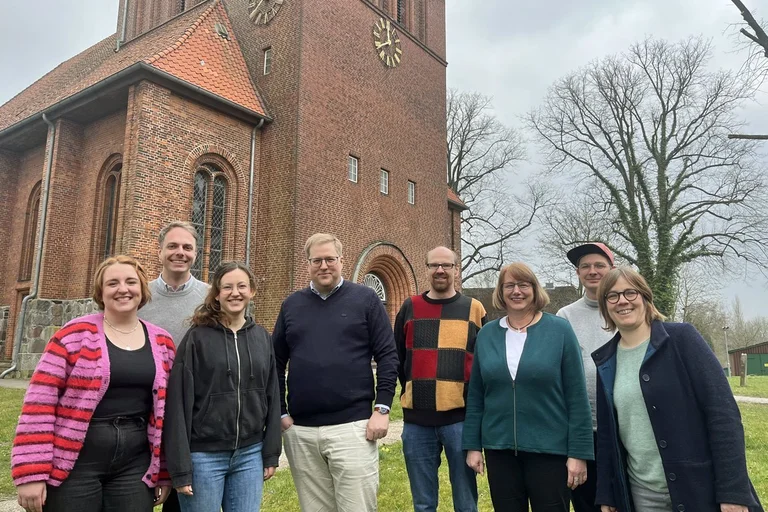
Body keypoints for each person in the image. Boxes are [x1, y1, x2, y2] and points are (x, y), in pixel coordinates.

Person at [12, 255, 175, 512]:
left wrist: (163, 470)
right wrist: (31, 473)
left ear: (142, 289)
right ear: (101, 292)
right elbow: (40, 403)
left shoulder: (163, 342)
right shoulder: (73, 335)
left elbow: (166, 413)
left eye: (131, 282)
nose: (123, 289)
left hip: (134, 465)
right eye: (112, 283)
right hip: (75, 462)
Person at [593, 267, 764, 512]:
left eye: (630, 292)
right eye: (612, 295)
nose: (622, 301)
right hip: (643, 494)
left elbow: (723, 415)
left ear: (645, 297)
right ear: (605, 306)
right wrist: (607, 494)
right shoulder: (607, 361)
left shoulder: (682, 339)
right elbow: (608, 436)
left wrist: (733, 492)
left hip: (700, 488)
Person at [272, 233, 399, 512]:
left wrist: (382, 408)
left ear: (341, 260)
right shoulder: (291, 305)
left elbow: (388, 355)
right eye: (317, 260)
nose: (324, 265)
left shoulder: (365, 299)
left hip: (352, 428)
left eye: (330, 259)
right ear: (308, 264)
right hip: (301, 432)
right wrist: (281, 412)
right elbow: (275, 362)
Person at [463, 262, 593, 512]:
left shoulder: (559, 330)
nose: (516, 291)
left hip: (549, 450)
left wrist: (579, 453)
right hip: (499, 450)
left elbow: (577, 396)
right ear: (500, 292)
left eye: (523, 285)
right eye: (509, 285)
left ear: (534, 289)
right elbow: (477, 395)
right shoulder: (487, 334)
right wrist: (472, 446)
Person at [164, 261, 281, 512]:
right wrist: (180, 467)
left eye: (241, 286)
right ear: (217, 294)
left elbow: (272, 396)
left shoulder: (261, 338)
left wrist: (270, 452)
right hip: (204, 457)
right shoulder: (197, 338)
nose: (235, 293)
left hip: (250, 455)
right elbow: (178, 403)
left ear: (252, 291)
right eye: (227, 287)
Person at [394, 246, 486, 512]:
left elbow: (482, 364)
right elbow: (399, 357)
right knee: (423, 503)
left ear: (456, 270)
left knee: (466, 502)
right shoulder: (410, 307)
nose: (440, 270)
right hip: (417, 423)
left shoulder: (474, 309)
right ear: (427, 269)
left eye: (446, 265)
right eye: (434, 265)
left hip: (460, 421)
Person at [138, 220, 208, 512]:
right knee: (137, 493)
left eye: (187, 247)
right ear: (160, 252)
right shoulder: (139, 296)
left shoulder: (210, 297)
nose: (180, 252)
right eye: (173, 246)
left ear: (196, 253)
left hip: (191, 415)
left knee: (181, 499)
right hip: (142, 411)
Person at [557, 242, 615, 512]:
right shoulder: (565, 316)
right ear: (578, 273)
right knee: (587, 502)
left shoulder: (626, 307)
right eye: (585, 266)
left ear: (611, 268)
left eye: (599, 265)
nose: (592, 271)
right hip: (583, 430)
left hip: (621, 428)